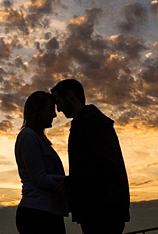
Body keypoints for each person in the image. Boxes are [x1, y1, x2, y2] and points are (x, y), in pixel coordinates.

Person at [50, 79, 130, 234]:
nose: (58, 109)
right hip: (100, 210)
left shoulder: (92, 122)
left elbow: (105, 165)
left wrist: (70, 183)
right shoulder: (87, 123)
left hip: (103, 211)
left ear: (70, 95)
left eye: (58, 102)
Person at [14, 90, 68, 234]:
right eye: (51, 109)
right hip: (38, 214)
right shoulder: (28, 137)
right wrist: (71, 182)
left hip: (45, 212)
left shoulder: (37, 139)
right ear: (38, 110)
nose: (54, 114)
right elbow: (40, 178)